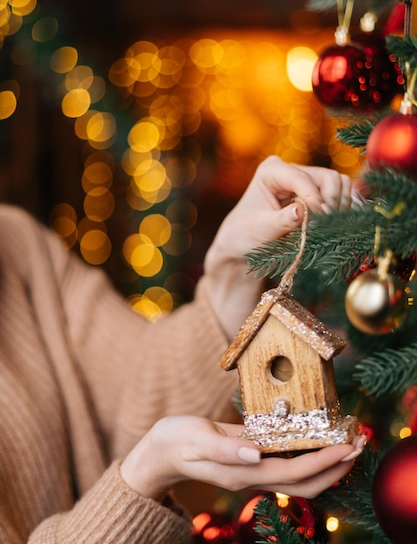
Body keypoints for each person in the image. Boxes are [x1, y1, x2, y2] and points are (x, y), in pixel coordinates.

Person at [0, 155, 364, 543]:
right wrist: (147, 473)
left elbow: (137, 393)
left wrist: (231, 273)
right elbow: (150, 448)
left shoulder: (15, 240)